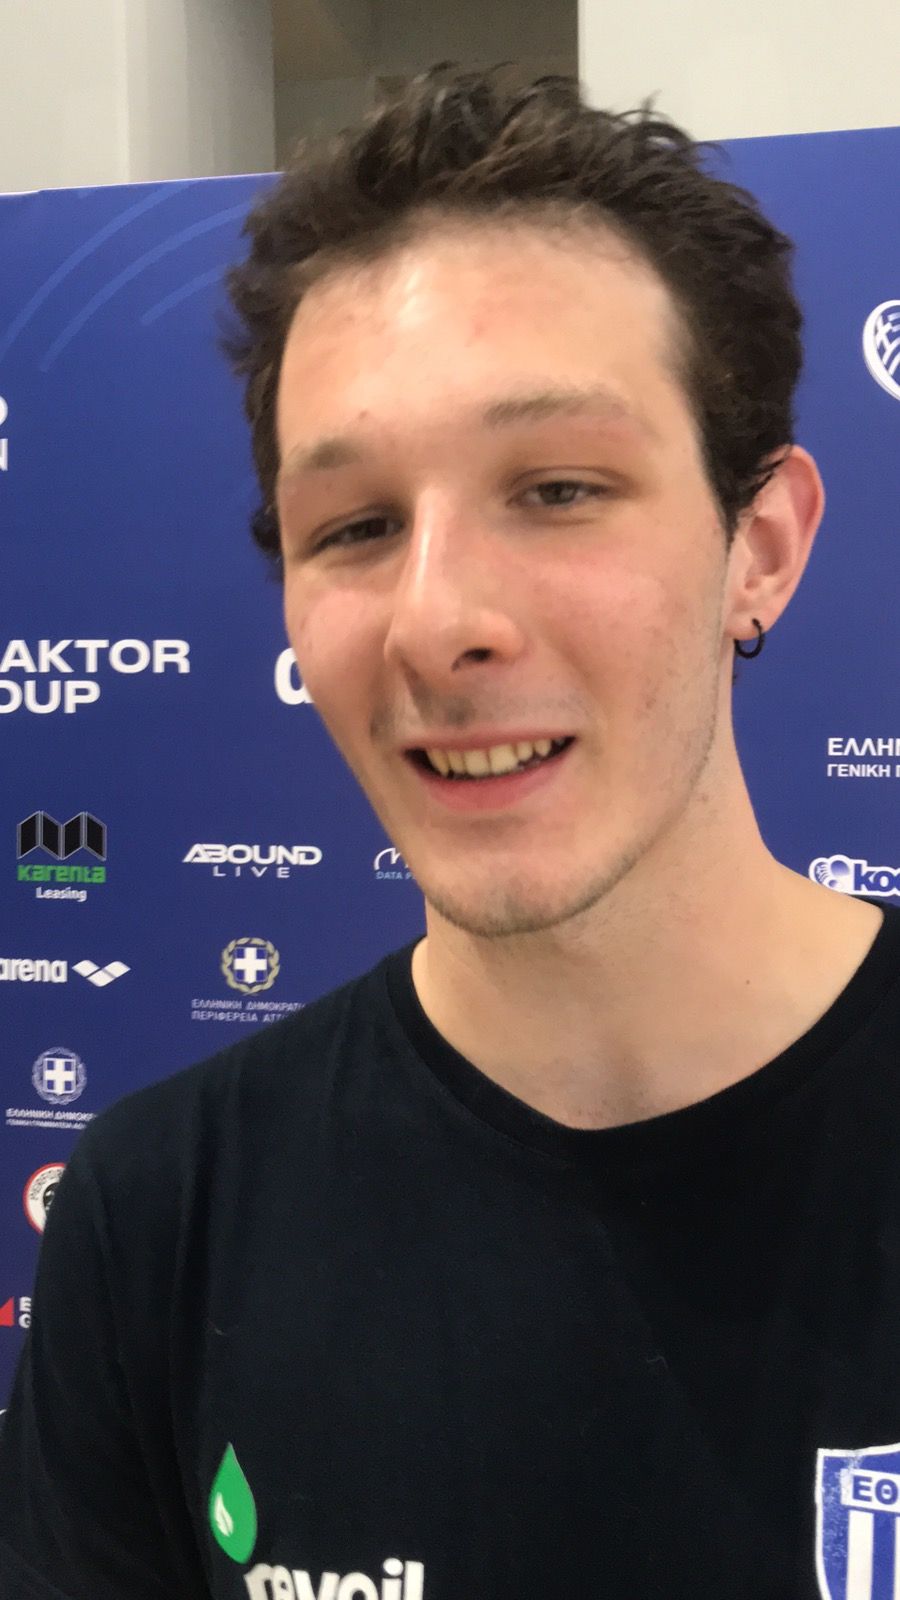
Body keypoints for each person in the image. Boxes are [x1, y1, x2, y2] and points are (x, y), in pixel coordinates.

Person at [0, 64, 895, 1600]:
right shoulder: (159, 1216)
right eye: (355, 527)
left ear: (760, 547)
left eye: (557, 487)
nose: (436, 622)